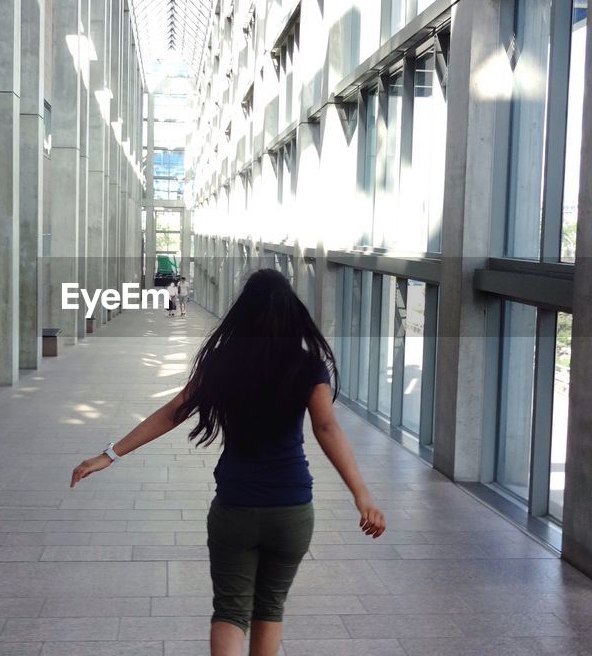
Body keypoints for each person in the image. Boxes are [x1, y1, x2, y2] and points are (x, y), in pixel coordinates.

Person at [71, 268, 386, 656]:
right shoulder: (306, 365)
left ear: (243, 311)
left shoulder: (223, 360)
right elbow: (326, 426)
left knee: (230, 611)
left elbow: (173, 412)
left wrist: (109, 454)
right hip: (291, 508)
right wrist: (361, 495)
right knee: (270, 607)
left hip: (235, 506)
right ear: (291, 310)